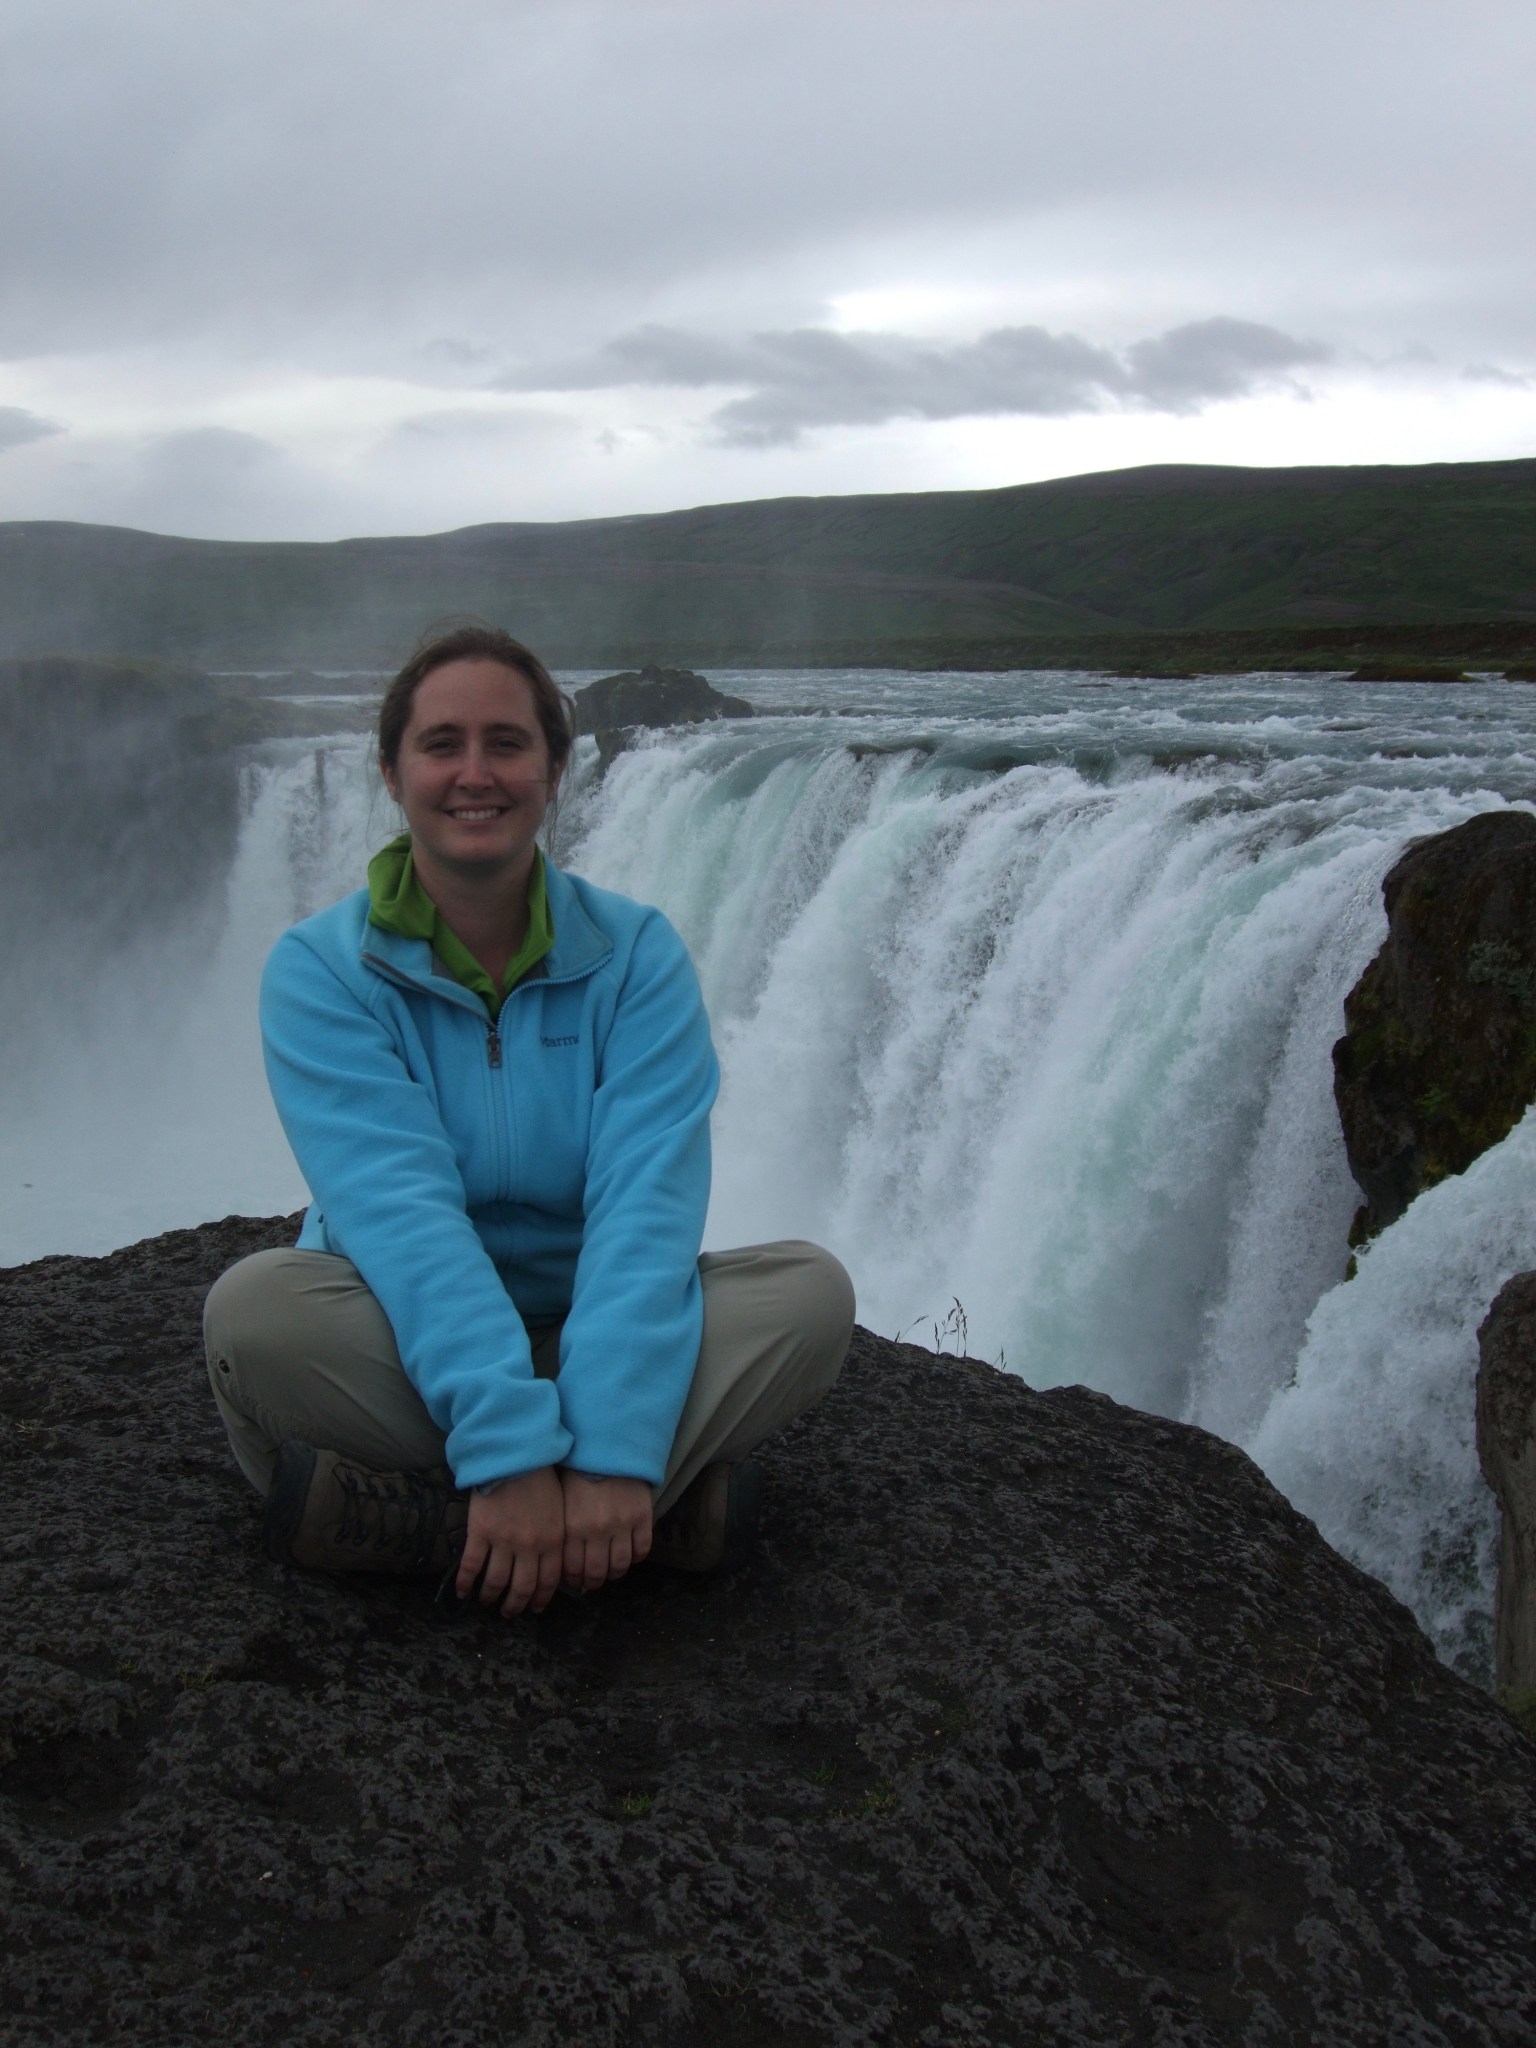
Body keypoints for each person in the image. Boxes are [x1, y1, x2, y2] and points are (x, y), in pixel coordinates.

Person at [203, 625, 853, 1618]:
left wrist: (610, 1443)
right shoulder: (321, 969)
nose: (476, 773)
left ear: (554, 768)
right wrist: (514, 1453)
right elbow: (400, 1216)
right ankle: (636, 1515)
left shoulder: (636, 956)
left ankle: (427, 1523)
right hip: (394, 1325)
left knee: (810, 1294)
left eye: (507, 743)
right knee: (256, 1315)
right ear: (392, 770)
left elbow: (647, 1206)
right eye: (442, 743)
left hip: (591, 1316)